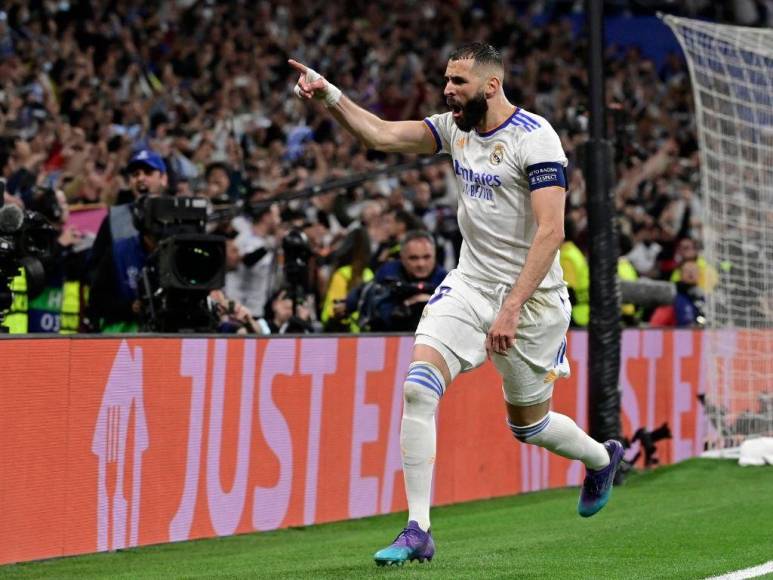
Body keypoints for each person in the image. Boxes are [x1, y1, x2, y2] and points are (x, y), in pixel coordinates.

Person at [291, 42, 624, 566]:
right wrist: (329, 93)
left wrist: (513, 307)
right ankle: (417, 528)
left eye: (459, 82)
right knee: (418, 387)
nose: (448, 90)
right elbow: (379, 133)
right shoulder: (454, 128)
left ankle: (602, 458)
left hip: (532, 300)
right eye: (447, 79)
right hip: (470, 285)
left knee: (529, 427)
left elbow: (551, 230)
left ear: (491, 85)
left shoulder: (535, 140)